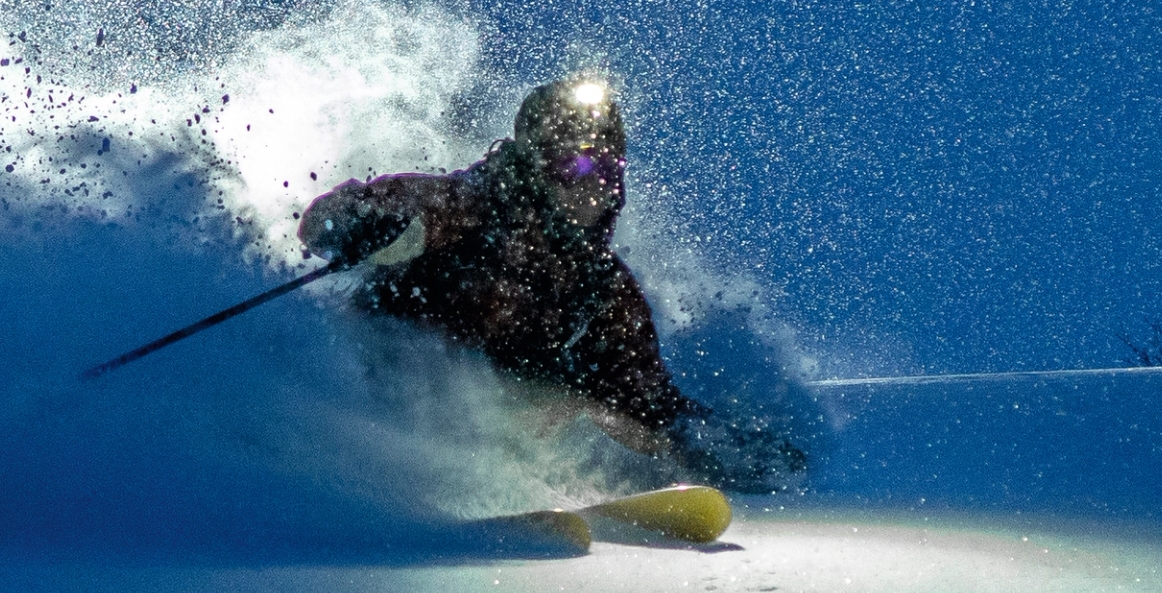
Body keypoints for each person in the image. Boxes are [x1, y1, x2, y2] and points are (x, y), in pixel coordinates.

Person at [297, 75, 797, 484]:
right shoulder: (469, 207)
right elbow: (331, 220)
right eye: (572, 163)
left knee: (603, 412)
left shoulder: (601, 287)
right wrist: (366, 227)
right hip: (380, 401)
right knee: (559, 403)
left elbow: (642, 390)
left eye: (606, 166)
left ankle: (540, 477)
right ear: (534, 165)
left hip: (490, 431)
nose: (591, 181)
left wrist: (704, 439)